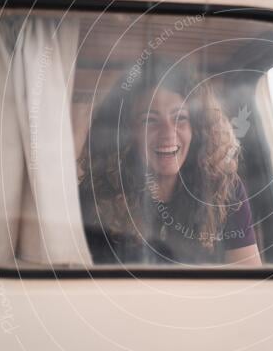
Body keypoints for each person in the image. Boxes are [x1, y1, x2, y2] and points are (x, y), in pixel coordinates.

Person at [78, 65, 261, 267]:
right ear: (126, 134)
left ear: (198, 129)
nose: (168, 133)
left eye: (180, 118)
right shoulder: (92, 197)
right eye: (149, 120)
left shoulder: (226, 191)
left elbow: (249, 283)